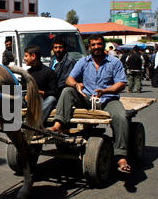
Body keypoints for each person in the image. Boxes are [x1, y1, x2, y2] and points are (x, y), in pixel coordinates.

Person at [49, 34, 131, 174]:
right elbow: (69, 79)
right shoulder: (83, 61)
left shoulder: (114, 62)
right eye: (93, 45)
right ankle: (58, 125)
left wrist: (105, 90)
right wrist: (76, 85)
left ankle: (121, 156)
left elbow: (121, 83)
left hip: (108, 99)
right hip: (87, 99)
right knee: (68, 90)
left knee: (121, 117)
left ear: (103, 45)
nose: (96, 47)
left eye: (99, 44)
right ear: (89, 47)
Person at [24, 45, 57, 123]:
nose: (24, 59)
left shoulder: (49, 72)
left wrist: (43, 93)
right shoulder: (26, 73)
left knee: (52, 99)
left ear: (33, 56)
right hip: (28, 101)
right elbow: (23, 90)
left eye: (26, 56)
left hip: (42, 101)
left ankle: (34, 123)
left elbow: (55, 91)